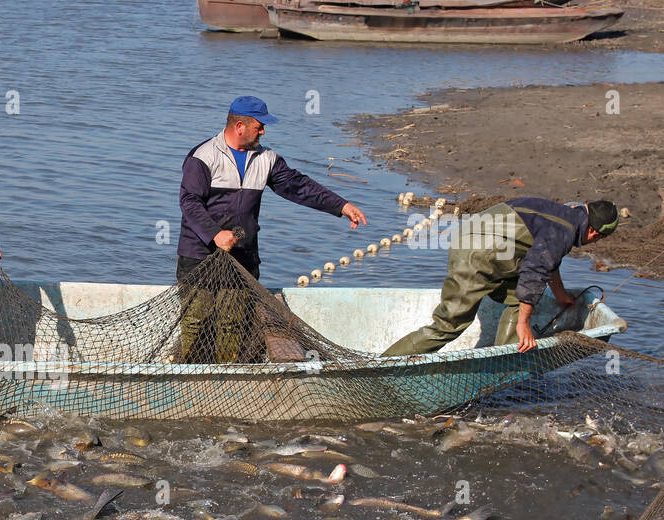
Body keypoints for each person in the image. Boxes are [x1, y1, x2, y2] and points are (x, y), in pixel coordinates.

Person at [177, 96, 366, 362]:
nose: (264, 131)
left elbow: (299, 187)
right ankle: (189, 380)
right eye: (260, 126)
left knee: (233, 326)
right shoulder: (203, 157)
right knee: (196, 323)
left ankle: (228, 382)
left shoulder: (267, 159)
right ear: (240, 126)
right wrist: (215, 233)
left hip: (242, 257)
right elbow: (189, 202)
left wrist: (341, 206)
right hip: (198, 255)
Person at [382, 198, 619, 356]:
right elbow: (536, 269)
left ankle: (505, 356)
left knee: (523, 298)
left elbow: (548, 261)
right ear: (594, 232)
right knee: (448, 326)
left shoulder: (564, 216)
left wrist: (560, 294)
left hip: (477, 243)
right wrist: (524, 323)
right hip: (478, 257)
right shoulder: (565, 231)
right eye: (598, 239)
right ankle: (380, 368)